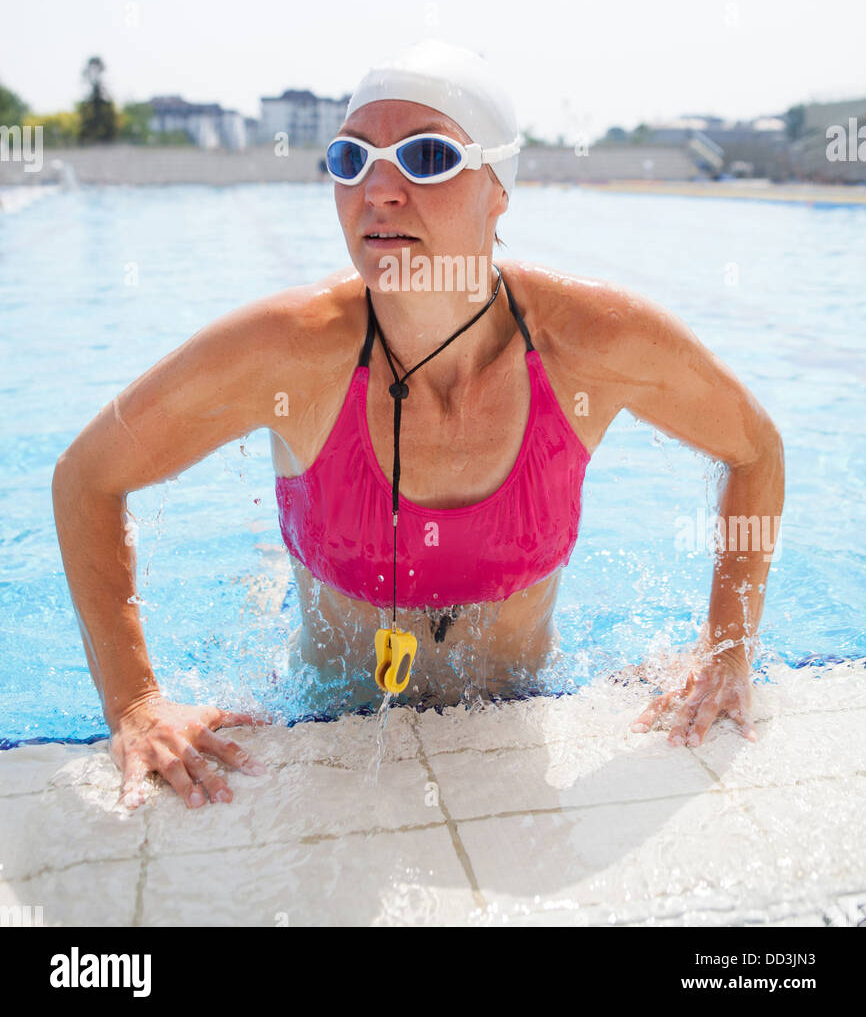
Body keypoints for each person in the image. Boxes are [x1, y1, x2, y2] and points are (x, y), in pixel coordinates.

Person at [52, 39, 784, 811]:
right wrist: (134, 703)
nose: (380, 189)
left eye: (427, 157)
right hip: (326, 712)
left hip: (518, 703)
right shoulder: (287, 351)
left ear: (499, 189)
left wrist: (727, 648)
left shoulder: (592, 342)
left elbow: (756, 450)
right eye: (351, 158)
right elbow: (86, 478)